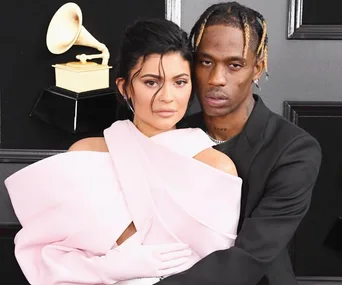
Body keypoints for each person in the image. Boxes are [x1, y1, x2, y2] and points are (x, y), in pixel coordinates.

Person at [5, 18, 242, 285]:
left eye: (180, 82)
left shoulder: (216, 168)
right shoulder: (85, 155)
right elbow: (50, 257)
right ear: (125, 87)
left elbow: (219, 272)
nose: (167, 96)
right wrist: (107, 268)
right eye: (151, 82)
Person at [156, 2, 322, 285]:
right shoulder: (172, 133)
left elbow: (248, 258)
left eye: (234, 65)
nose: (216, 79)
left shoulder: (295, 150)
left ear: (257, 69)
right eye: (206, 62)